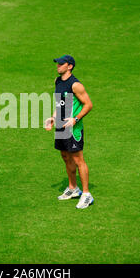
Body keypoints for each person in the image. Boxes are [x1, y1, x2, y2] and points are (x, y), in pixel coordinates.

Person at [45, 55, 94, 209]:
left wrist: (75, 119)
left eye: (61, 64)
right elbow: (60, 104)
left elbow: (88, 104)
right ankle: (73, 188)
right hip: (61, 125)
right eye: (57, 64)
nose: (58, 66)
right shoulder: (57, 81)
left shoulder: (76, 85)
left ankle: (86, 194)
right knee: (66, 156)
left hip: (73, 128)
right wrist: (53, 118)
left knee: (78, 159)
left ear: (70, 66)